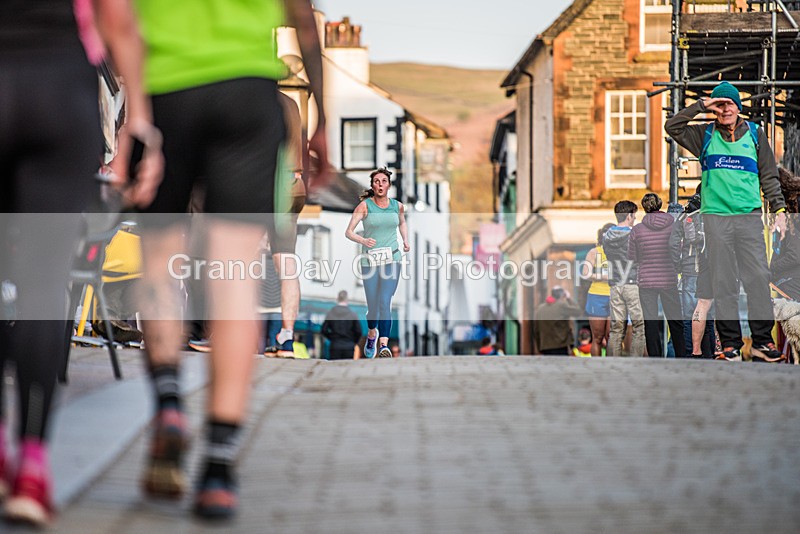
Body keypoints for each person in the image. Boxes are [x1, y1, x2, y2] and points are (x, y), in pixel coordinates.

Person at [133, 0, 328, 521]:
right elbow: (304, 19)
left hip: (165, 86)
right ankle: (218, 466)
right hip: (247, 90)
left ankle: (170, 401)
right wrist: (323, 117)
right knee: (237, 276)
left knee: (158, 261)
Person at [0, 1, 160, 526]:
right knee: (45, 286)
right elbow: (117, 17)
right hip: (60, 86)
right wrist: (139, 118)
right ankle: (32, 470)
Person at [665, 81, 786, 362]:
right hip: (716, 218)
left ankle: (762, 342)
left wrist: (779, 211)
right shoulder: (704, 135)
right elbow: (672, 127)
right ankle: (730, 345)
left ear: (738, 107)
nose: (724, 109)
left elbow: (769, 176)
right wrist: (702, 105)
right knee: (724, 281)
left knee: (758, 277)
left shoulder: (755, 134)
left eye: (729, 103)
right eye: (719, 104)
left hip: (749, 217)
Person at [345, 167, 410, 359]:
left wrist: (405, 240)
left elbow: (402, 223)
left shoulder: (397, 206)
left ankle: (384, 346)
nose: (380, 185)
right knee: (373, 306)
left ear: (389, 185)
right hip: (370, 261)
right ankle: (372, 333)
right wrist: (363, 241)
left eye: (383, 181)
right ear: (372, 185)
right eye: (376, 182)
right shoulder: (365, 206)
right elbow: (348, 232)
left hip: (392, 258)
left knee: (385, 301)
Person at [628, 194, 686, 358]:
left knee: (650, 321)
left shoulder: (637, 230)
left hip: (646, 281)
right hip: (669, 278)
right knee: (675, 320)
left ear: (644, 208)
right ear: (660, 205)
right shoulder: (673, 226)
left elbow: (632, 257)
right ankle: (681, 354)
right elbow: (678, 248)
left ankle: (655, 357)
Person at [669, 188, 717, 358]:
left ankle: (691, 352)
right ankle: (710, 353)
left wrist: (678, 266)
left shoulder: (685, 215)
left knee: (690, 315)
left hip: (690, 270)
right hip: (711, 268)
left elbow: (673, 244)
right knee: (708, 314)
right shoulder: (714, 211)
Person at [603, 201, 646, 357]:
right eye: (634, 216)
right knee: (639, 327)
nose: (634, 219)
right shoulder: (634, 234)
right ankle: (635, 362)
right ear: (629, 215)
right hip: (633, 283)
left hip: (615, 285)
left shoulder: (607, 236)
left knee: (616, 328)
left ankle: (612, 361)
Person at [582, 223, 614, 356]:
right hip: (597, 296)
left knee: (612, 338)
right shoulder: (594, 252)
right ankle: (597, 367)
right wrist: (604, 277)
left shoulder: (620, 252)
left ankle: (611, 367)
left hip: (615, 296)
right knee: (598, 338)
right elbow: (585, 273)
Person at [532, 287, 582, 356]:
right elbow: (578, 312)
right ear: (562, 295)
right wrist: (569, 298)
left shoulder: (540, 308)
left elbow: (536, 330)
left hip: (545, 346)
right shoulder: (562, 306)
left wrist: (539, 347)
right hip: (560, 345)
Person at [322, 290, 363, 360]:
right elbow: (358, 331)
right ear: (347, 299)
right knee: (347, 368)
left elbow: (324, 330)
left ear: (337, 299)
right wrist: (352, 341)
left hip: (335, 345)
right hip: (349, 346)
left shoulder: (331, 313)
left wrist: (332, 338)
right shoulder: (352, 314)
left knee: (334, 368)